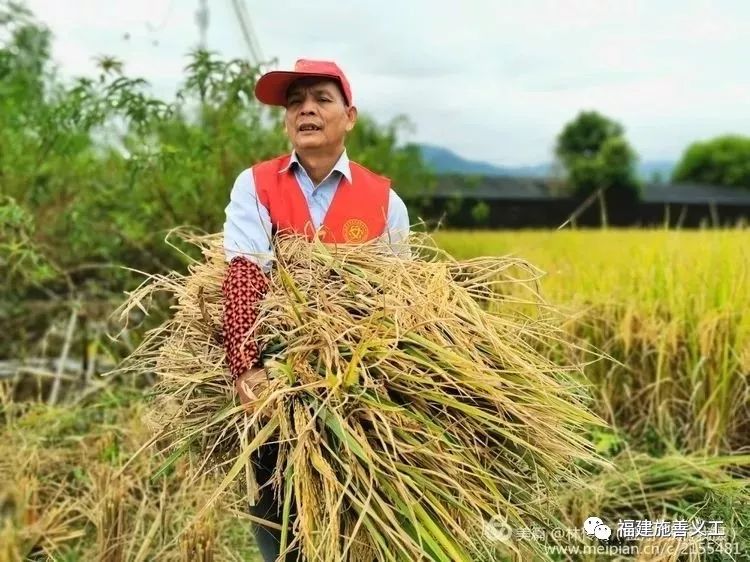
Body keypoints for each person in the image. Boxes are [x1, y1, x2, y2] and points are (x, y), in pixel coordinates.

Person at [220, 58, 411, 562]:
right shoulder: (256, 184)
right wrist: (247, 367)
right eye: (295, 101)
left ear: (349, 116)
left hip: (360, 387)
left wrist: (376, 377)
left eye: (321, 99)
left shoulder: (384, 201)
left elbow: (399, 299)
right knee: (279, 518)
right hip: (275, 379)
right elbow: (244, 273)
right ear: (286, 120)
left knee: (360, 526)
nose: (307, 109)